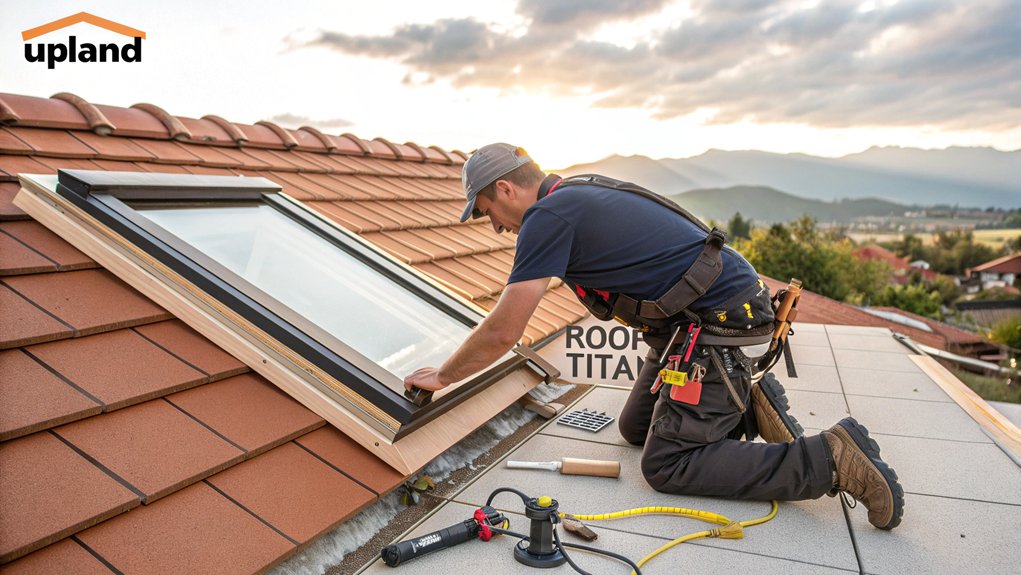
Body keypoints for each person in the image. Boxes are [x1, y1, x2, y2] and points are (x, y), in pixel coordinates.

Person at [404, 143, 904, 530]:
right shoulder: (574, 194)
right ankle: (745, 403)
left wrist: (445, 376)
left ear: (507, 190)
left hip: (717, 327)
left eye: (487, 210)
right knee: (636, 430)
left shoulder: (547, 216)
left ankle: (829, 459)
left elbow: (504, 329)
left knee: (667, 465)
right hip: (694, 327)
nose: (494, 226)